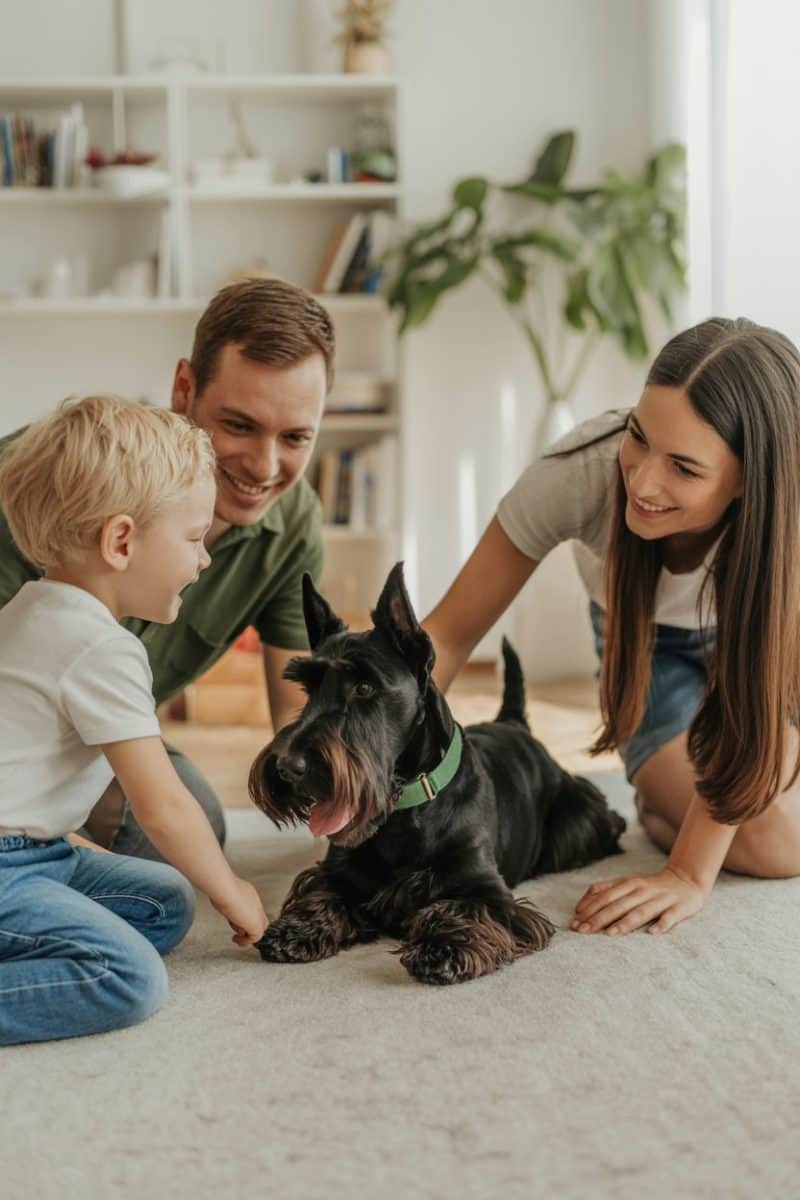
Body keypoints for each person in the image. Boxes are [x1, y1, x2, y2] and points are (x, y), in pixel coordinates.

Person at [422, 317, 800, 936]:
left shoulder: (789, 512)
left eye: (684, 467)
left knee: (770, 814)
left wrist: (689, 873)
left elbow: (758, 706)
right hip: (654, 646)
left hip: (773, 657)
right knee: (774, 845)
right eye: (639, 436)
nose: (643, 481)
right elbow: (451, 631)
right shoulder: (578, 474)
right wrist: (373, 755)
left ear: (749, 482)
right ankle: (662, 803)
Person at [0, 277, 334, 861]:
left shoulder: (293, 528)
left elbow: (298, 713)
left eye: (296, 436)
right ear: (185, 387)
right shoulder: (49, 481)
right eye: (239, 425)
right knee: (163, 839)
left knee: (189, 825)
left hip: (97, 737)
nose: (264, 465)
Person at [0, 395, 269, 1045]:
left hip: (37, 855)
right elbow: (163, 806)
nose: (204, 559)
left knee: (165, 901)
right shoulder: (100, 647)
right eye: (192, 539)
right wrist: (234, 891)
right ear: (121, 541)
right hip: (8, 869)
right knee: (128, 977)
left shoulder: (32, 607)